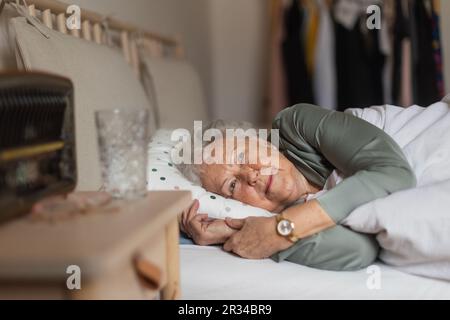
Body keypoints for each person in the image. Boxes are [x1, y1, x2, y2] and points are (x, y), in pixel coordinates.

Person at [178, 104, 416, 271]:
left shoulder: (295, 125)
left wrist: (280, 231)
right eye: (232, 185)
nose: (250, 175)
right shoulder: (272, 217)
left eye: (241, 155)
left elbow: (396, 174)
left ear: (259, 139)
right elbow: (361, 249)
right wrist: (238, 234)